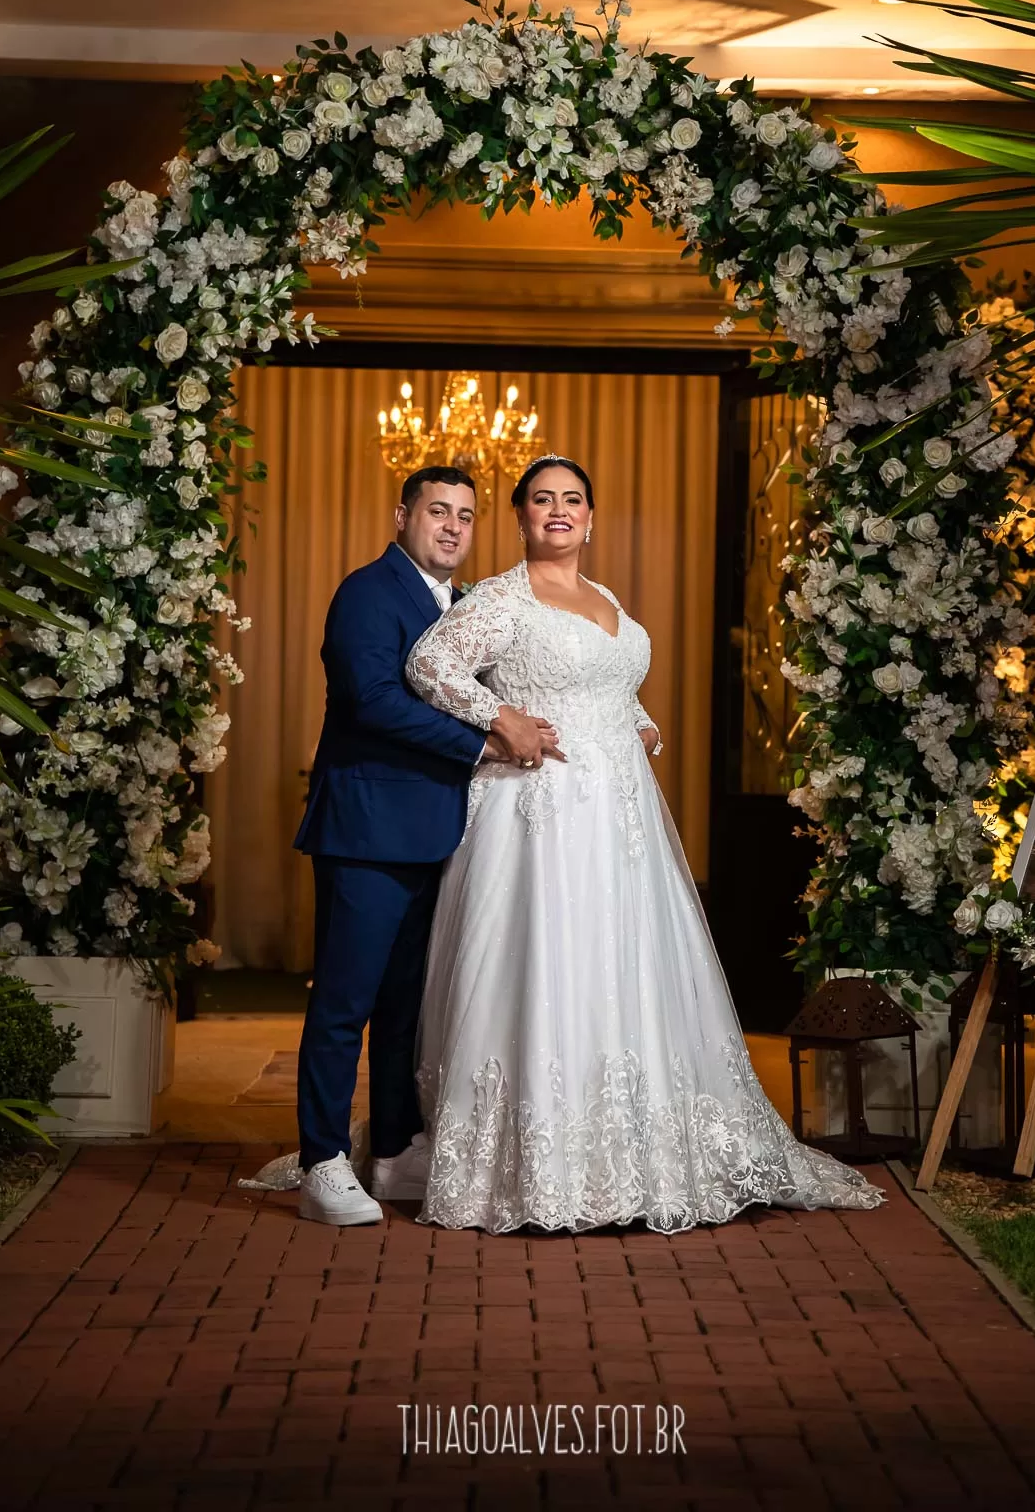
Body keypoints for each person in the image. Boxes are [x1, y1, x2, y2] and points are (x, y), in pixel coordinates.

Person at [403, 454, 884, 1233]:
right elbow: (428, 665)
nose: (558, 510)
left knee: (623, 968)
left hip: (620, 820)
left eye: (572, 499)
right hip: (541, 816)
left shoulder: (606, 599)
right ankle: (543, 1163)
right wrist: (502, 719)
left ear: (591, 518)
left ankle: (637, 1146)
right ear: (521, 517)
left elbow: (610, 685)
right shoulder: (501, 599)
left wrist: (639, 720)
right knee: (551, 965)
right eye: (541, 499)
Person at [241, 466, 561, 1224]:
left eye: (466, 516)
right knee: (344, 1003)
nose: (452, 527)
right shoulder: (367, 592)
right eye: (437, 511)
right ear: (402, 516)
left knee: (405, 1009)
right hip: (367, 828)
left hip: (439, 832)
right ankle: (322, 1160)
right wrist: (485, 741)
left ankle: (390, 1149)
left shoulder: (468, 602)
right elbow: (374, 701)